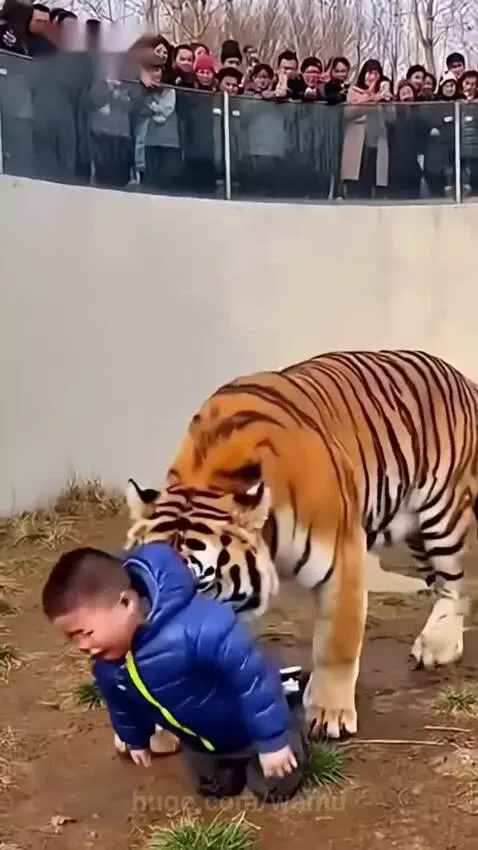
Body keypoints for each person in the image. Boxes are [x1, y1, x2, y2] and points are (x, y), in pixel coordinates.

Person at [41, 542, 309, 803]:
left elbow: (253, 679)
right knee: (213, 787)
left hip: (248, 725)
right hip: (201, 742)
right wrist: (135, 738)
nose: (82, 647)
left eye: (85, 633)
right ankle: (226, 761)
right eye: (71, 638)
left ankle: (291, 717)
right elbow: (121, 704)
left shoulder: (201, 628)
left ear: (125, 604)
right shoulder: (108, 663)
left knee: (273, 784)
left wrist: (272, 740)